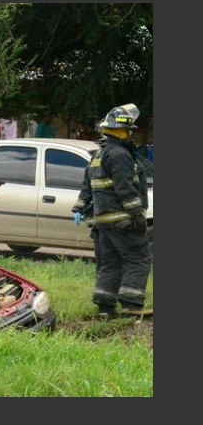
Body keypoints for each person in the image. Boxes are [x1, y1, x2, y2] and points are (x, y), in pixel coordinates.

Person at [71, 103, 152, 320]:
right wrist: (137, 217)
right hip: (122, 219)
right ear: (121, 130)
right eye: (128, 130)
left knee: (111, 262)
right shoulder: (119, 155)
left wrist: (79, 208)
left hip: (102, 222)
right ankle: (132, 305)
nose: (129, 134)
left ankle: (105, 308)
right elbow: (125, 189)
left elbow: (86, 187)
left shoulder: (98, 154)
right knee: (139, 257)